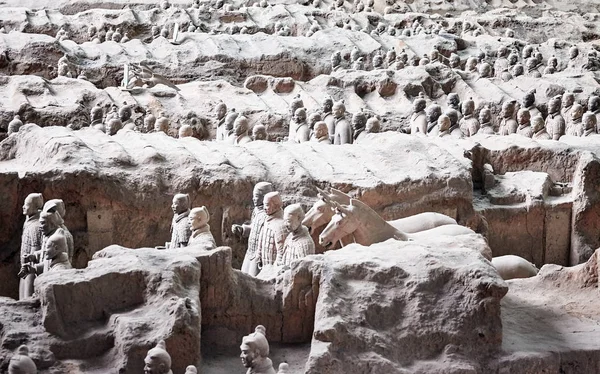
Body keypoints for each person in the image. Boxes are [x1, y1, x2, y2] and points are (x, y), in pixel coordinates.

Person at [232, 182, 273, 276]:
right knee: (244, 276)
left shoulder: (269, 215)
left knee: (254, 280)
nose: (253, 199)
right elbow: (255, 228)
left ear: (264, 197)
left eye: (257, 196)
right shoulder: (256, 210)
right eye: (254, 196)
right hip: (250, 251)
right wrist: (243, 229)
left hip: (259, 256)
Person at [18, 193, 44, 299]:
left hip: (30, 270)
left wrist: (30, 272)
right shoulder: (28, 222)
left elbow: (34, 256)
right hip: (24, 268)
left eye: (27, 204)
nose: (23, 207)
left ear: (35, 207)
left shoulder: (36, 227)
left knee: (27, 298)